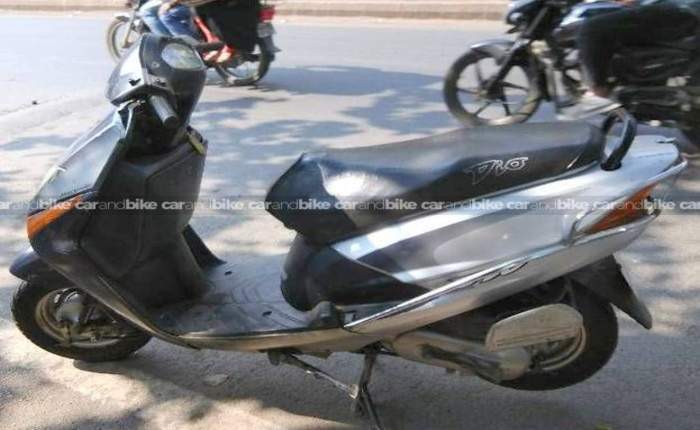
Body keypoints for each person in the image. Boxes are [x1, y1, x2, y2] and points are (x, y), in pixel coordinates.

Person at [562, 0, 700, 119]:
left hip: (684, 8)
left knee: (591, 29)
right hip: (682, 7)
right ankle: (644, 91)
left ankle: (598, 92)